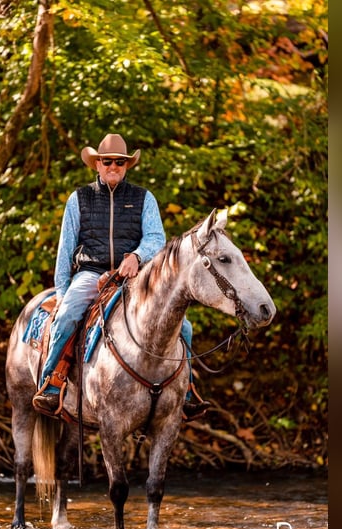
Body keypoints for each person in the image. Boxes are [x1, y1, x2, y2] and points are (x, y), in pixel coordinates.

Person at [32, 133, 210, 420]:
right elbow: (64, 249)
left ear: (127, 165)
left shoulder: (144, 198)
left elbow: (155, 238)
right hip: (91, 273)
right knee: (67, 316)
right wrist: (63, 292)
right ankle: (52, 382)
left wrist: (136, 256)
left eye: (119, 162)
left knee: (184, 327)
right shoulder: (79, 198)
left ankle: (187, 390)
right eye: (107, 161)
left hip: (134, 278)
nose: (113, 166)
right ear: (97, 165)